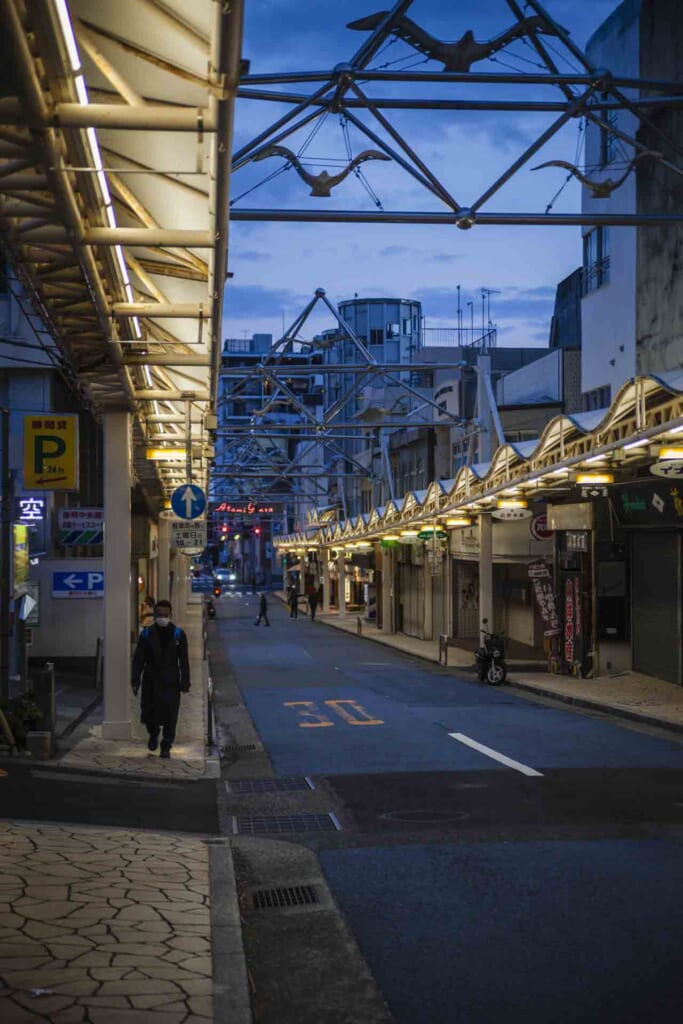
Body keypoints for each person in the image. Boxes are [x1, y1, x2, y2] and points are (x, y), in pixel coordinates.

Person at [131, 600, 190, 759]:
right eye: (159, 615)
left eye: (165, 615)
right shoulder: (147, 634)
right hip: (151, 681)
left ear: (170, 615)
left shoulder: (178, 634)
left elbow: (184, 661)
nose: (162, 617)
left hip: (171, 682)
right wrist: (135, 680)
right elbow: (138, 660)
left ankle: (166, 745)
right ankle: (153, 733)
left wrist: (185, 682)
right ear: (155, 615)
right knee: (150, 714)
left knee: (171, 716)